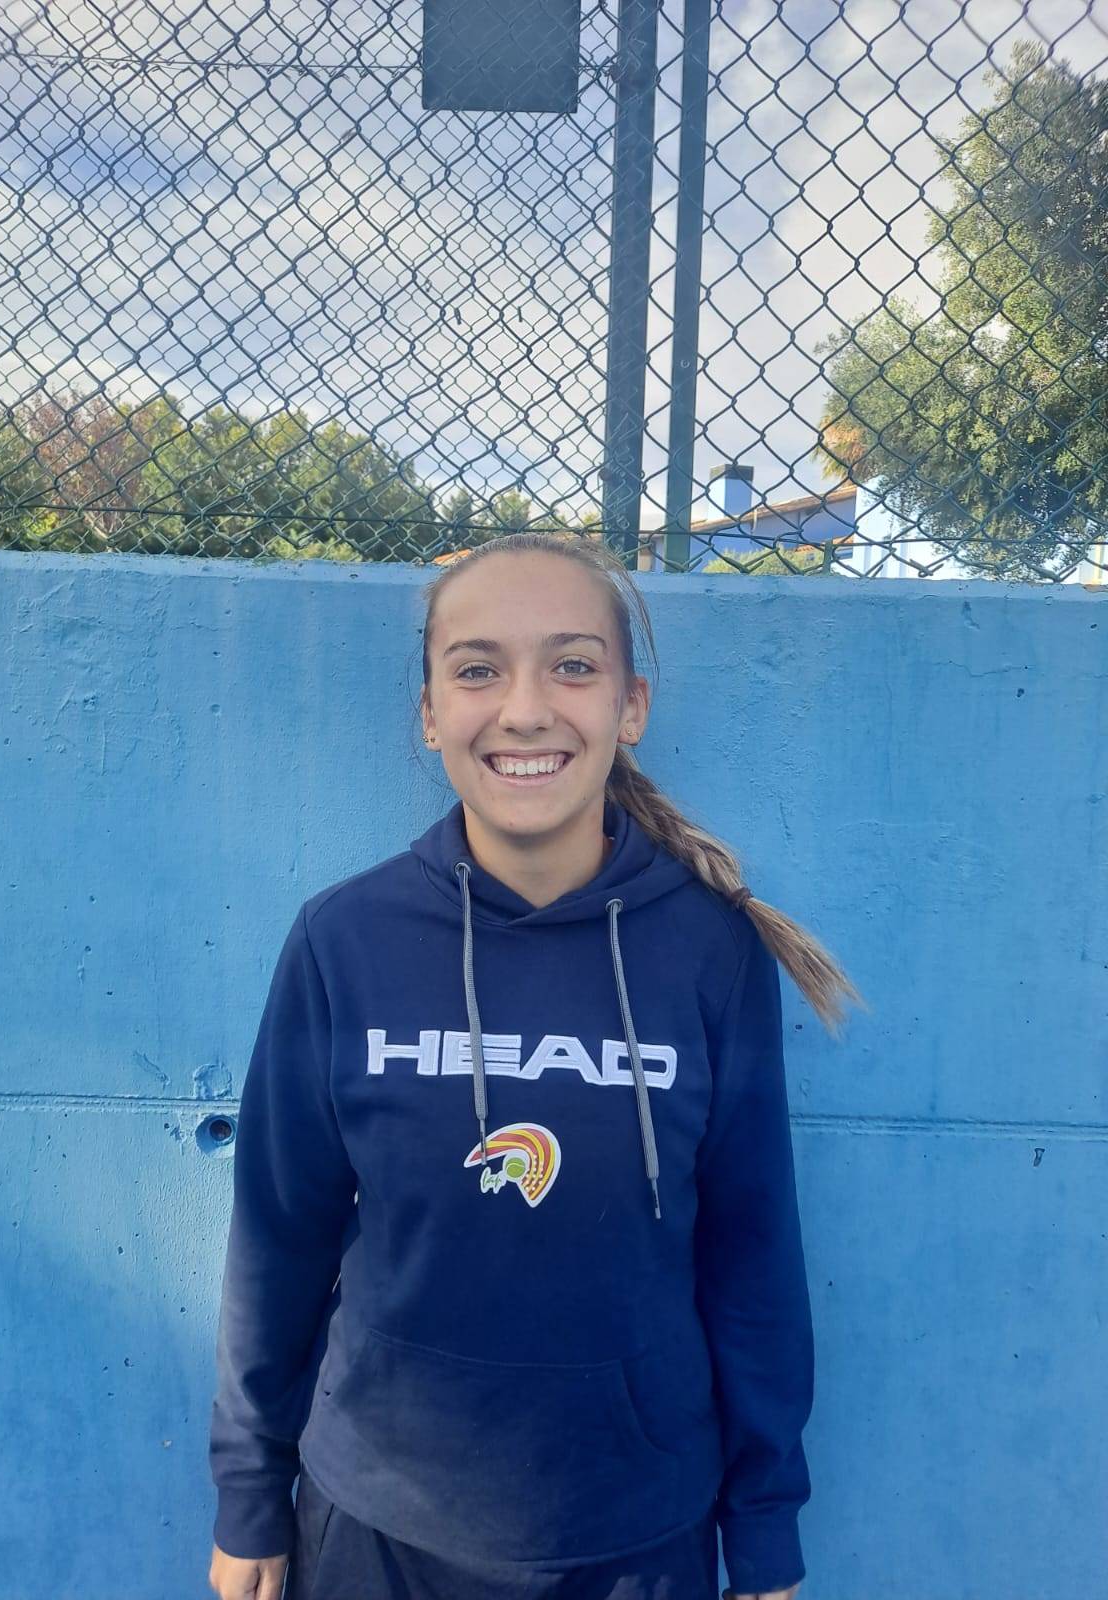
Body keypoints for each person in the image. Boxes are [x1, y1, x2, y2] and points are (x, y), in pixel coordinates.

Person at [207, 531, 865, 1600]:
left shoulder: (711, 951)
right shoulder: (344, 940)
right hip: (379, 1524)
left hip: (637, 1532)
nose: (524, 710)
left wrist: (764, 1526)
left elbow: (752, 1256)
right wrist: (248, 1495)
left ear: (630, 706)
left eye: (572, 665)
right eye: (477, 670)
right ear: (429, 712)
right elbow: (278, 1240)